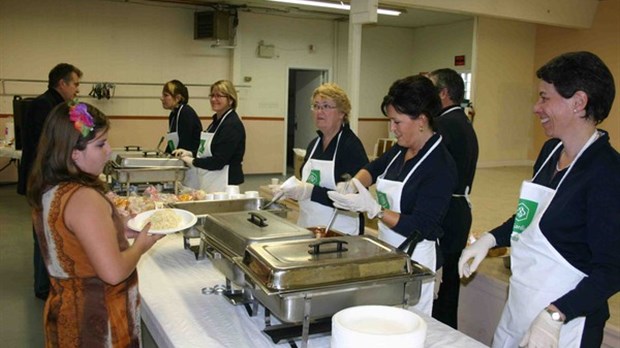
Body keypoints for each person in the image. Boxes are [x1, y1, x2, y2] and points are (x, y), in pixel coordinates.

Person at [458, 51, 620, 348]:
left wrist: (557, 315)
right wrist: (491, 239)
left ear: (579, 102)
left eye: (545, 98)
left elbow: (612, 269)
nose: (536, 107)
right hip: (520, 308)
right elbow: (530, 219)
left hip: (565, 325)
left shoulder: (607, 173)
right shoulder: (549, 153)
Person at [26, 101, 163, 347]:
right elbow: (113, 272)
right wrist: (141, 245)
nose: (109, 150)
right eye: (100, 144)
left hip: (67, 312)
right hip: (99, 323)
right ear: (73, 153)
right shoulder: (84, 198)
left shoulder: (50, 189)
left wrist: (118, 229)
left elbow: (73, 241)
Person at [328, 75, 457, 315]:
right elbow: (374, 168)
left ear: (421, 120)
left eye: (397, 122)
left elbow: (423, 225)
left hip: (415, 260)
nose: (392, 129)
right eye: (390, 121)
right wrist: (354, 184)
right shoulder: (401, 149)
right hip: (389, 249)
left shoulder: (440, 165)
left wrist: (376, 210)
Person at [18, 63, 82, 300]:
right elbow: (50, 147)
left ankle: (50, 281)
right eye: (75, 84)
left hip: (49, 178)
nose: (77, 89)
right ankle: (44, 287)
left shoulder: (57, 105)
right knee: (44, 232)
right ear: (62, 83)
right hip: (44, 179)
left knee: (51, 231)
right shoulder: (44, 106)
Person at [276, 83, 369, 235]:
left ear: (342, 113)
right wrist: (290, 191)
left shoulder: (350, 147)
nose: (320, 111)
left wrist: (310, 191)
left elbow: (355, 200)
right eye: (316, 106)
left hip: (340, 231)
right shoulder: (314, 144)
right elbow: (306, 184)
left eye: (326, 106)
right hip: (309, 225)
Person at [427, 68, 479, 329]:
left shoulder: (444, 126)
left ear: (444, 93)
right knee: (448, 288)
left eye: (430, 90)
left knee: (440, 288)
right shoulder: (462, 122)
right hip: (458, 209)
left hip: (446, 212)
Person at [174, 80, 245, 192]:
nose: (213, 99)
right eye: (212, 95)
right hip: (212, 179)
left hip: (226, 183)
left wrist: (191, 160)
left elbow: (218, 161)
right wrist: (190, 152)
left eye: (218, 96)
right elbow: (209, 149)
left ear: (230, 100)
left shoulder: (232, 125)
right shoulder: (216, 121)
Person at [160, 80, 202, 155]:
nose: (161, 98)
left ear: (178, 98)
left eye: (166, 95)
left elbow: (185, 142)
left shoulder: (185, 112)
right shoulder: (173, 114)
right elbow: (172, 142)